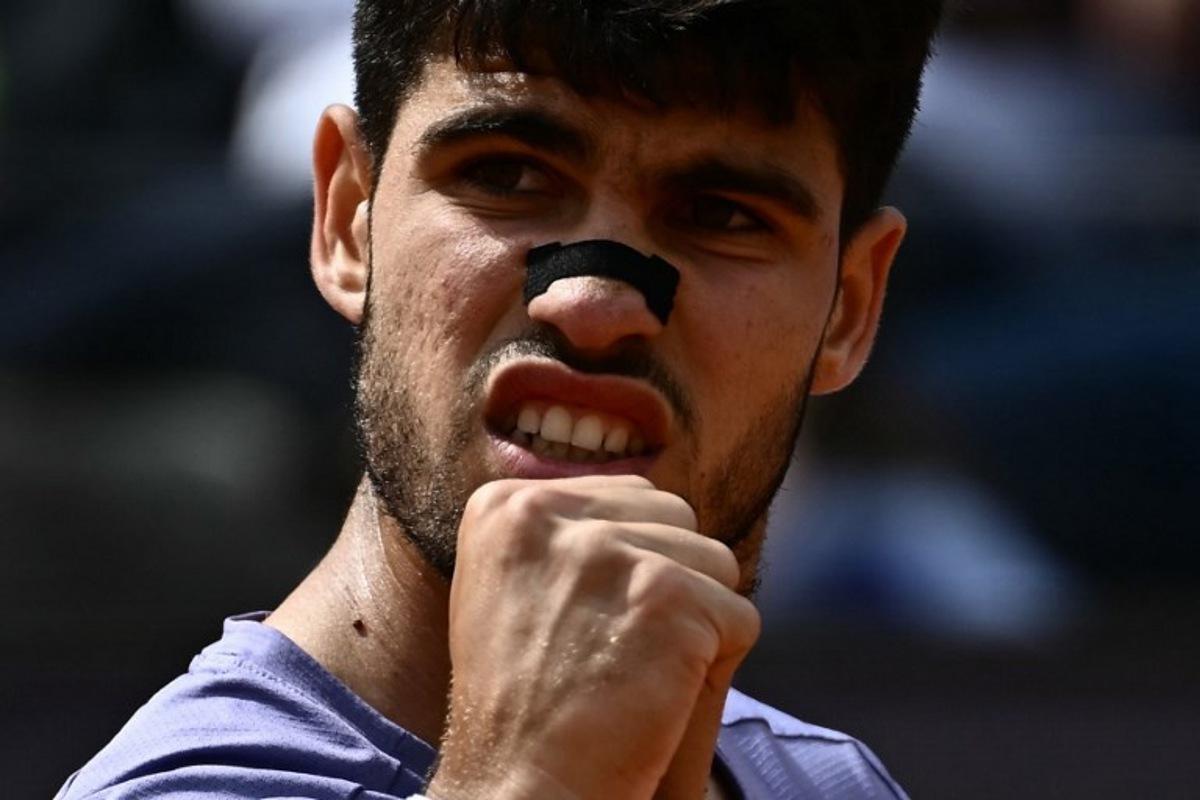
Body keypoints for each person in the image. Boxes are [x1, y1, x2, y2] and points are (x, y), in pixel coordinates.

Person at [56, 1, 942, 798]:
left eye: (725, 216)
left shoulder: (830, 783)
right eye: (507, 176)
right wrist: (528, 783)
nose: (593, 304)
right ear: (349, 218)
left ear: (850, 307)